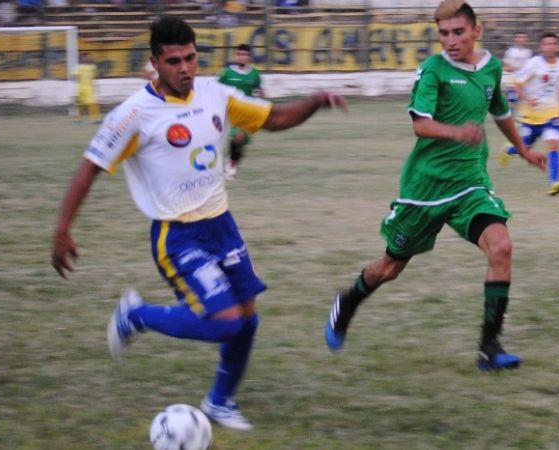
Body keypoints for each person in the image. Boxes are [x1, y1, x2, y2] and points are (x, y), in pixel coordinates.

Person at [50, 16, 346, 431]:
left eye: (191, 58)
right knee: (224, 321)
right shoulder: (133, 114)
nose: (185, 68)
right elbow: (90, 167)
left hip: (221, 224)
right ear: (154, 61)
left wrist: (315, 101)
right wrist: (62, 229)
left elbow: (273, 119)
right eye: (174, 61)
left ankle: (220, 402)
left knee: (248, 316)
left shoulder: (215, 94)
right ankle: (137, 315)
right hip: (177, 234)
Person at [324, 0, 546, 371]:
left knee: (502, 247)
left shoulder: (490, 67)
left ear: (477, 30)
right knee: (390, 268)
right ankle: (348, 302)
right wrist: (457, 132)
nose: (450, 40)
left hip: (470, 184)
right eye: (443, 33)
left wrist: (523, 149)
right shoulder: (433, 70)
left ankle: (489, 348)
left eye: (458, 32)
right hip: (425, 190)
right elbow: (420, 124)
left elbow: (500, 112)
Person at [500, 32, 559, 196]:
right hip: (530, 116)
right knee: (525, 149)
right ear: (541, 47)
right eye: (546, 43)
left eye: (553, 43)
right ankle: (509, 150)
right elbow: (516, 84)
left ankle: (554, 182)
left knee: (554, 144)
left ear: (557, 46)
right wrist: (528, 99)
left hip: (552, 113)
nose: (550, 46)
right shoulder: (533, 64)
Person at [217, 43, 264, 179]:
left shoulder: (255, 74)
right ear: (236, 56)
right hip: (230, 111)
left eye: (245, 55)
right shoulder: (226, 73)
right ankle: (230, 166)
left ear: (249, 57)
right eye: (240, 54)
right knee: (237, 136)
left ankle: (231, 162)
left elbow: (258, 90)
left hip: (247, 112)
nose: (242, 57)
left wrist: (261, 97)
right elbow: (216, 88)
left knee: (241, 143)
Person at [501, 31, 532, 103]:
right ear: (515, 39)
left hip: (525, 84)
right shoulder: (510, 51)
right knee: (513, 103)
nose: (521, 39)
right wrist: (515, 68)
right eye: (519, 37)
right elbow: (505, 67)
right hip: (513, 84)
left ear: (526, 40)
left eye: (523, 37)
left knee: (524, 104)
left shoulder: (528, 52)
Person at [71, 53, 101, 123]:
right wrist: (79, 81)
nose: (86, 58)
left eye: (87, 57)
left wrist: (95, 85)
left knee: (93, 103)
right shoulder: (78, 67)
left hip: (89, 88)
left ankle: (95, 119)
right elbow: (74, 76)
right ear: (81, 59)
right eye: (85, 57)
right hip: (81, 87)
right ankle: (77, 119)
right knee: (80, 104)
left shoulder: (92, 67)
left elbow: (94, 77)